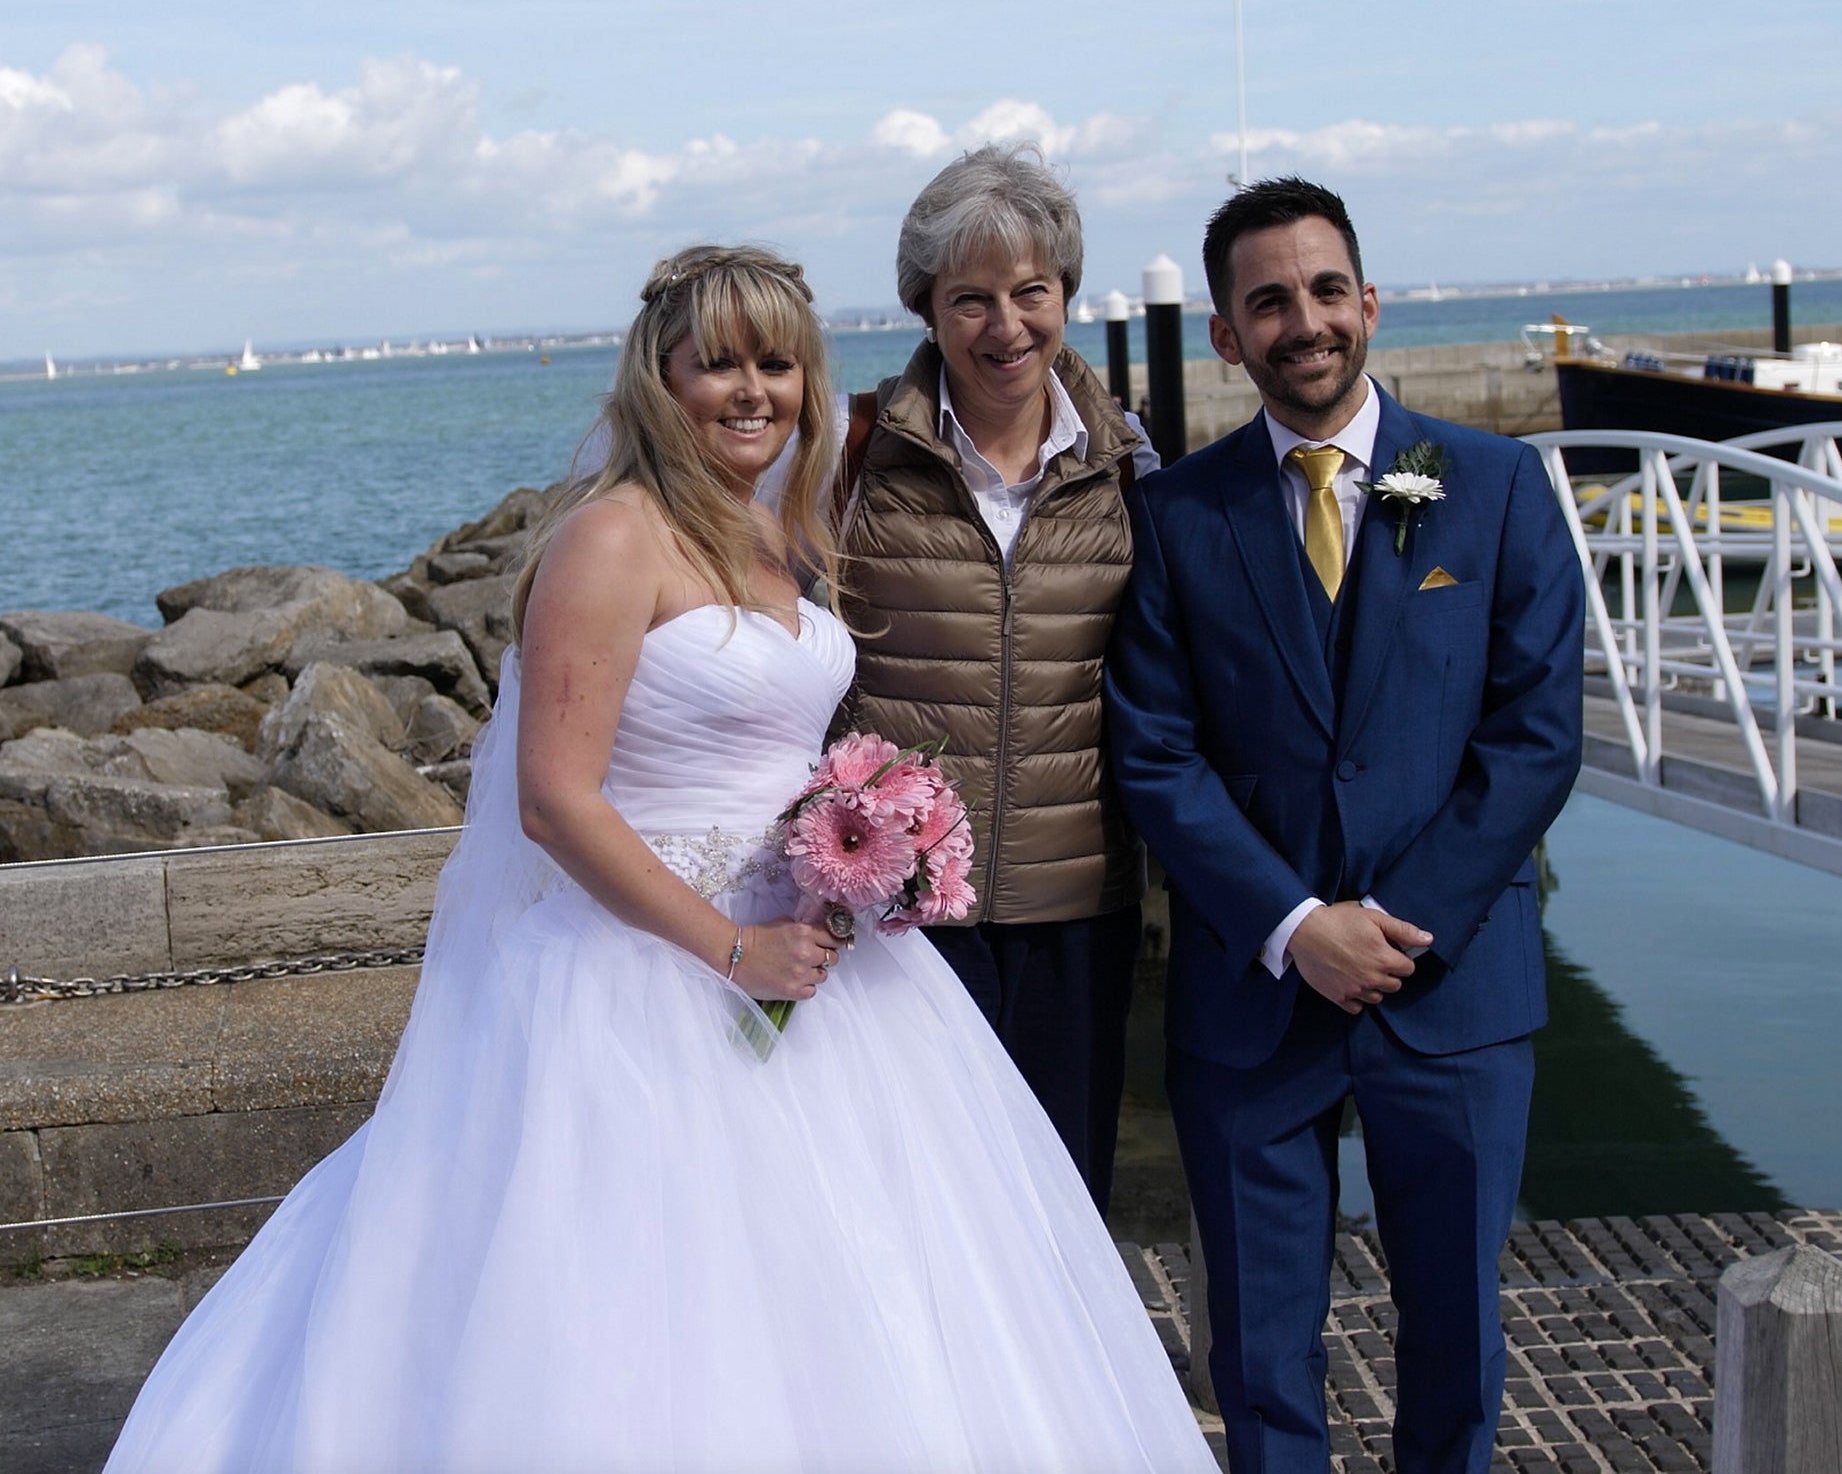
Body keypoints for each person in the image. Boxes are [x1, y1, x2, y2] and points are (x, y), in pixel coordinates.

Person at [105, 245, 1214, 1474]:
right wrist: (730, 947)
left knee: (872, 1277)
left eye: (777, 364)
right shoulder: (611, 539)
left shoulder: (772, 532)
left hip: (822, 963)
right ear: (659, 376)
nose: (753, 392)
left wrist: (867, 831)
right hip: (651, 969)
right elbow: (554, 801)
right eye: (719, 364)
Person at [1105, 179, 1584, 1474]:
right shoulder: (1180, 517)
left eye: (1325, 292)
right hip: (1255, 999)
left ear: (1368, 304)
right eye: (1268, 302)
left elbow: (1535, 734)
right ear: (1224, 335)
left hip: (1455, 986)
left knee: (1457, 1352)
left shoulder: (1475, 483)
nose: (1302, 323)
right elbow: (1155, 752)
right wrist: (1295, 924)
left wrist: (1398, 924)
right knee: (1258, 1364)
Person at [829, 145, 1153, 1213]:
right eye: (970, 299)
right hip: (903, 915)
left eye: (1030, 292)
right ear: (925, 306)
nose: (1005, 327)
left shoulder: (1130, 468)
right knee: (912, 1210)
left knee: (1061, 1201)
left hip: (1076, 906)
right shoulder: (851, 456)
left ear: (1064, 293)